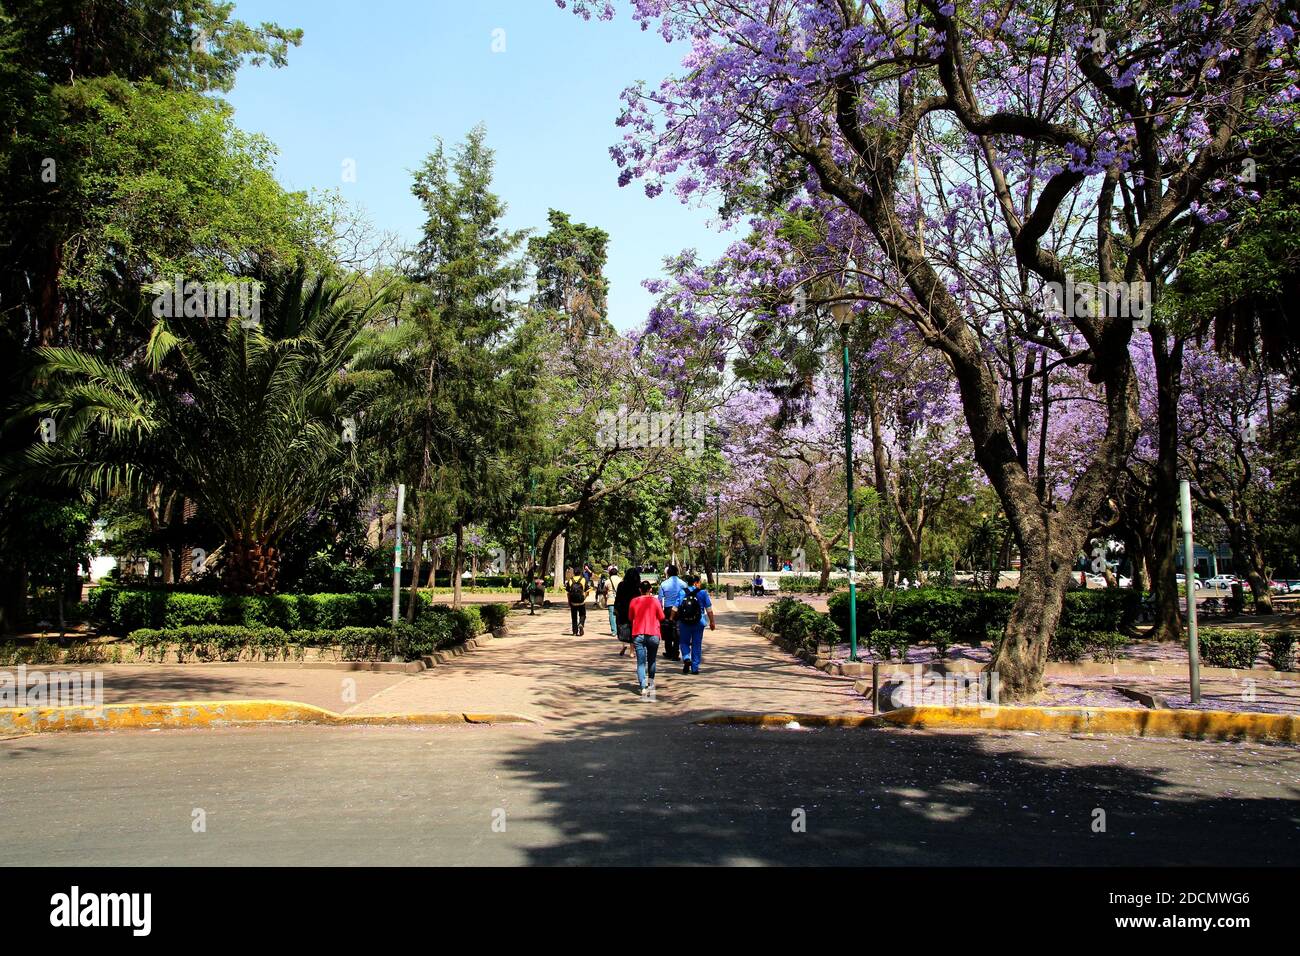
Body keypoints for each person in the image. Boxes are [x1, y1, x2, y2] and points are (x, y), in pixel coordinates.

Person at [628, 578, 664, 697]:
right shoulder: (655, 601)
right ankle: (651, 683)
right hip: (653, 633)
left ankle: (643, 687)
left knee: (641, 662)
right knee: (652, 660)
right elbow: (662, 616)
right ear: (650, 589)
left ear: (640, 590)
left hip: (638, 633)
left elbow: (630, 617)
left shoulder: (633, 601)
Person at [676, 572, 715, 674]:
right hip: (699, 622)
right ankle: (695, 667)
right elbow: (709, 609)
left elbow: (675, 607)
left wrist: (671, 618)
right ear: (696, 583)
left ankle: (686, 657)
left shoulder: (682, 592)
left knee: (684, 641)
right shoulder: (702, 593)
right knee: (696, 644)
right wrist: (712, 622)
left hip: (684, 622)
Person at [657, 563, 686, 661]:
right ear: (677, 572)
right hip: (680, 609)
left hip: (668, 609)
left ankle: (669, 652)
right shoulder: (683, 583)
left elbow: (660, 599)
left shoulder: (663, 584)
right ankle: (676, 652)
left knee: (668, 629)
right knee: (678, 630)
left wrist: (660, 611)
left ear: (668, 573)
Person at [613, 565, 639, 657]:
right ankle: (632, 651)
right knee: (633, 629)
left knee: (623, 627)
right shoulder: (637, 586)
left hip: (623, 609)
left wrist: (615, 608)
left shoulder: (621, 585)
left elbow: (618, 598)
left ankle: (623, 645)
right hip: (635, 610)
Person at [567, 571, 589, 635]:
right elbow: (587, 591)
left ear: (574, 573)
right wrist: (584, 597)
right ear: (580, 573)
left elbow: (568, 592)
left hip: (573, 601)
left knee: (574, 617)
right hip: (581, 601)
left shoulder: (570, 580)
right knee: (583, 614)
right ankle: (581, 623)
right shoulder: (583, 579)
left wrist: (569, 601)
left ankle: (574, 631)